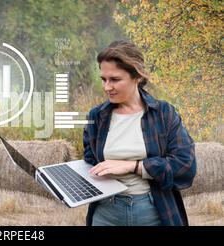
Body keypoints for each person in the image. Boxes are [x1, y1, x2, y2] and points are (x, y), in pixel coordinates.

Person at [83, 40, 196, 226]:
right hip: (105, 214)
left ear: (137, 76)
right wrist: (69, 183)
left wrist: (134, 166)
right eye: (103, 79)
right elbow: (90, 163)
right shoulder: (96, 116)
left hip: (153, 212)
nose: (106, 87)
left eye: (115, 79)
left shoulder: (164, 114)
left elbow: (185, 166)